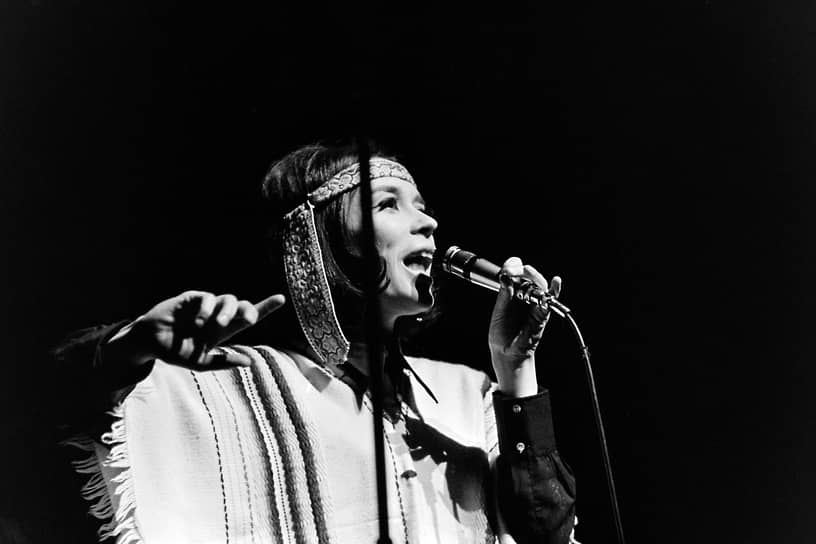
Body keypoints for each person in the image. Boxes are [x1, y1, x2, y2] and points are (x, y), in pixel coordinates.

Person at [55, 142, 578, 544]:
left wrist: (516, 368)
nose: (429, 223)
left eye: (422, 206)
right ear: (315, 238)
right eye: (389, 204)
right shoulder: (233, 387)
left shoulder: (466, 396)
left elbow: (545, 533)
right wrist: (130, 345)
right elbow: (52, 396)